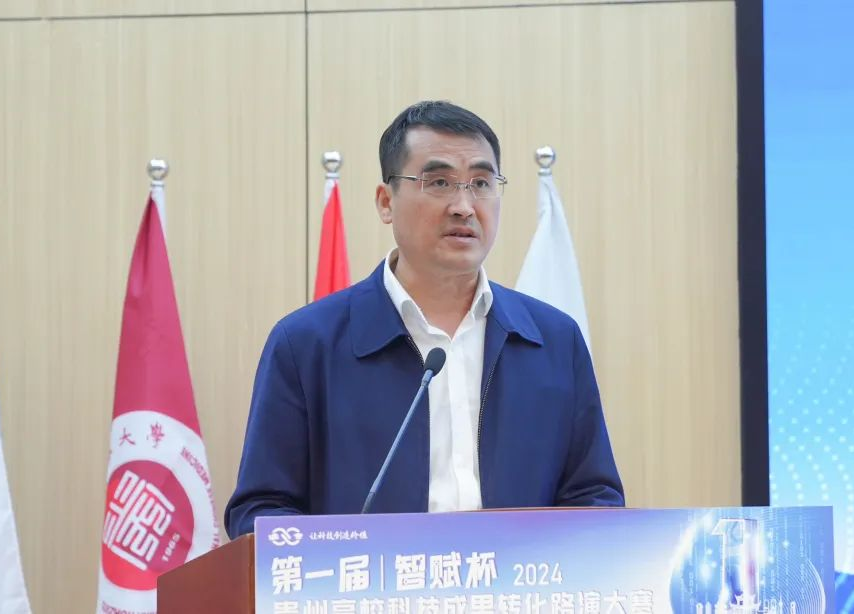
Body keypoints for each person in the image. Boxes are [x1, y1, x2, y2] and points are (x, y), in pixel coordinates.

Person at [225, 101, 623, 538]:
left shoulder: (554, 341)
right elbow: (262, 512)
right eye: (438, 183)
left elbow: (593, 496)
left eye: (481, 183)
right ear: (386, 202)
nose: (464, 206)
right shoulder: (306, 345)